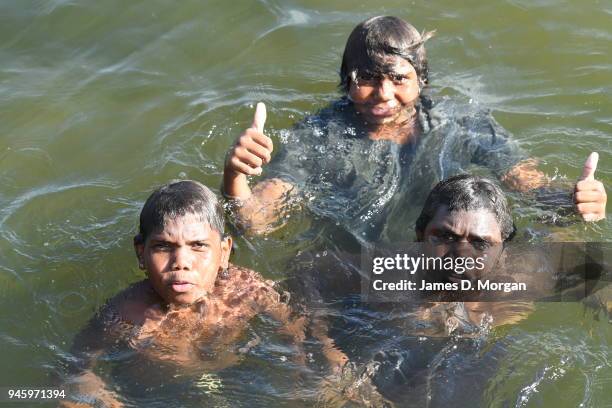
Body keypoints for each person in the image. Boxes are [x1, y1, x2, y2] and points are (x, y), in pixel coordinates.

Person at [222, 16, 606, 238]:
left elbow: (530, 187)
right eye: (367, 78)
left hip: (440, 262)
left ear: (421, 78)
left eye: (399, 78)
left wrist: (571, 202)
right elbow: (257, 222)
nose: (383, 94)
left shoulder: (463, 123)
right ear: (346, 80)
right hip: (352, 275)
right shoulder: (318, 136)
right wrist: (236, 176)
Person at [60, 181, 304, 407]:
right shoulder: (127, 313)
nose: (181, 263)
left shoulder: (247, 291)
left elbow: (294, 327)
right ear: (141, 253)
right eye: (163, 247)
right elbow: (72, 369)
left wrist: (302, 373)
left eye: (198, 246)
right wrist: (92, 392)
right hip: (154, 392)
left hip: (238, 377)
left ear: (224, 251)